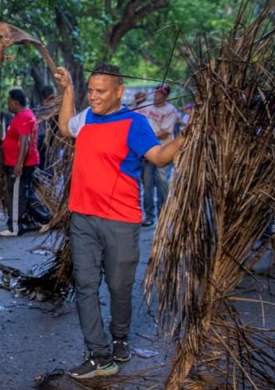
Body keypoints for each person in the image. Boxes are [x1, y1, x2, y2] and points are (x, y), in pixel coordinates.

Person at [53, 64, 185, 379]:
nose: (94, 97)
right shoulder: (86, 117)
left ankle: (120, 337)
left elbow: (160, 157)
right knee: (85, 286)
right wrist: (69, 91)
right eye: (91, 91)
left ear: (118, 91)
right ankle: (99, 357)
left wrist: (187, 135)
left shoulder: (134, 123)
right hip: (83, 218)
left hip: (121, 221)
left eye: (101, 92)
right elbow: (64, 127)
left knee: (119, 288)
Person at [0, 89, 50, 237]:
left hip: (21, 163)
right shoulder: (23, 116)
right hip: (20, 162)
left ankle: (15, 227)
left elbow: (25, 142)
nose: (7, 104)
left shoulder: (23, 117)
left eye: (9, 101)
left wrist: (19, 164)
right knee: (25, 193)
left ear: (15, 102)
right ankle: (46, 218)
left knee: (17, 194)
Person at [138, 84, 180, 226]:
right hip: (147, 152)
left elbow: (165, 132)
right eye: (156, 92)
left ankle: (163, 215)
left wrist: (145, 137)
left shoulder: (170, 110)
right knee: (147, 183)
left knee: (162, 183)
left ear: (166, 95)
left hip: (163, 149)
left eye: (160, 93)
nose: (157, 95)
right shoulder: (145, 106)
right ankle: (149, 215)